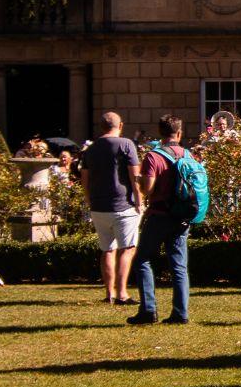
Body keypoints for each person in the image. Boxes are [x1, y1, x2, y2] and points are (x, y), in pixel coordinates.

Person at [129, 115, 192, 326]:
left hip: (159, 215)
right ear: (179, 133)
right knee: (179, 266)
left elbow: (148, 189)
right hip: (182, 216)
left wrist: (139, 181)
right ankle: (180, 312)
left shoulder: (153, 157)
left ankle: (148, 310)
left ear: (160, 133)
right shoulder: (189, 155)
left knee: (143, 259)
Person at [78, 112, 142, 306]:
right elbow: (134, 175)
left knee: (107, 249)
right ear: (120, 125)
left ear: (101, 127)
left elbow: (84, 178)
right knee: (127, 249)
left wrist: (89, 201)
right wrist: (139, 200)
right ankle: (122, 293)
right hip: (123, 204)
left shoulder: (90, 149)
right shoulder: (126, 144)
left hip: (99, 206)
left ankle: (109, 293)